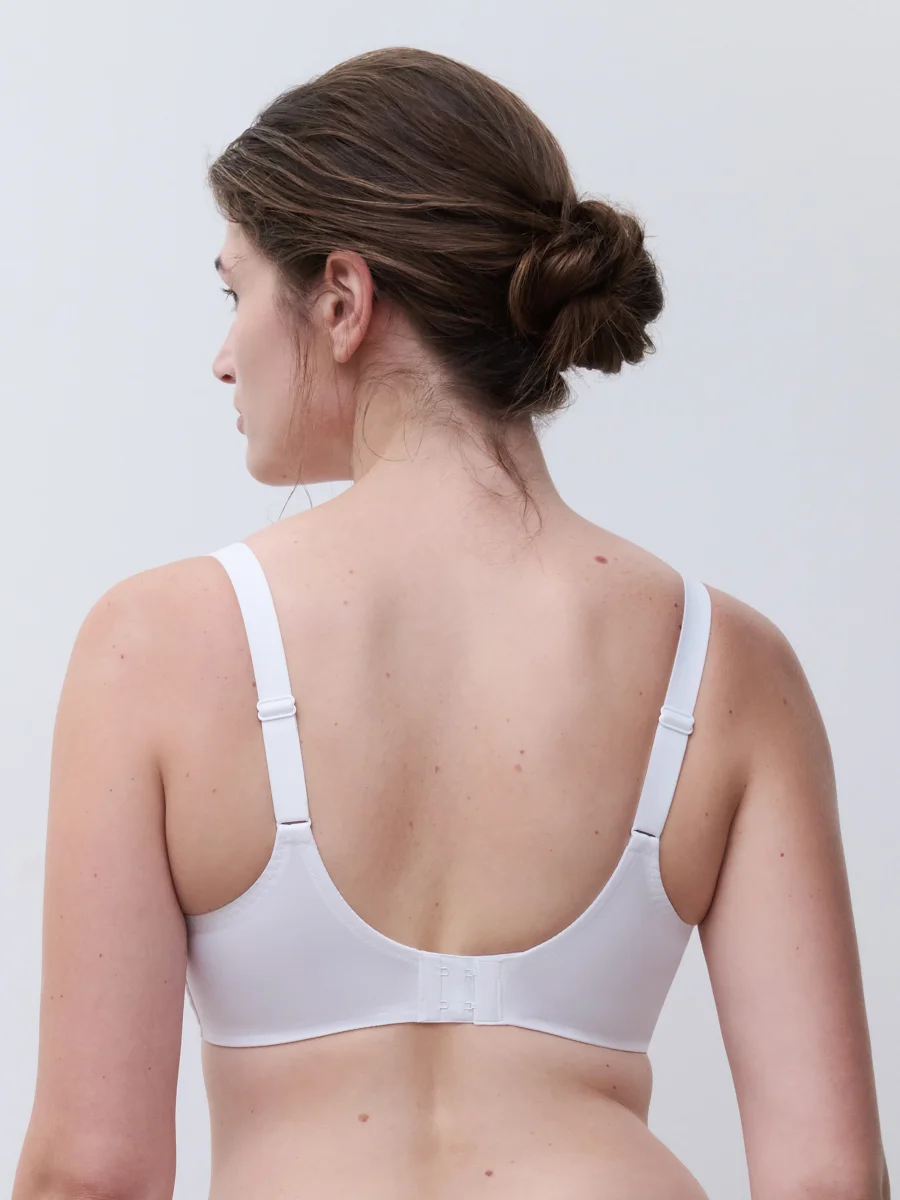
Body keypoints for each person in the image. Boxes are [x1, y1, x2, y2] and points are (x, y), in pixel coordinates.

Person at [13, 45, 889, 1200]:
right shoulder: (724, 665)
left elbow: (91, 1173)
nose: (223, 359)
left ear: (342, 300)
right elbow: (829, 1179)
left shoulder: (156, 646)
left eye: (236, 293)